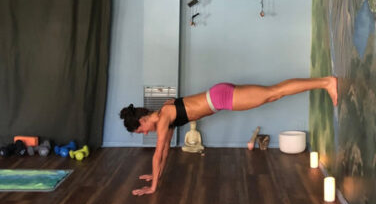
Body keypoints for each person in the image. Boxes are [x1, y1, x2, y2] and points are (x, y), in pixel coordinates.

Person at [120, 77, 338, 196]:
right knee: (273, 95)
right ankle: (325, 83)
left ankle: (326, 83)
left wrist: (153, 187)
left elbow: (158, 153)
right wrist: (155, 175)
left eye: (142, 130)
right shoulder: (165, 113)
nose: (146, 133)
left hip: (221, 98)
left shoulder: (164, 117)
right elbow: (165, 151)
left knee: (274, 92)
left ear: (142, 120)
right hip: (219, 95)